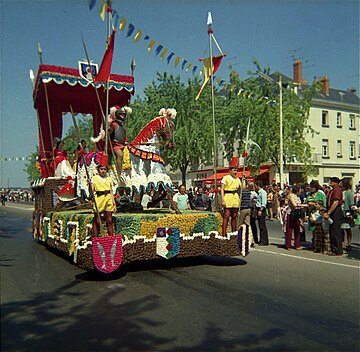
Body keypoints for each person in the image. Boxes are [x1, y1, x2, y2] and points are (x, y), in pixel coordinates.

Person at [89, 162, 116, 237]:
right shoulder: (94, 178)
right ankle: (95, 236)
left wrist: (114, 203)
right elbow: (91, 191)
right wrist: (90, 185)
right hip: (99, 198)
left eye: (104, 169)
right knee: (97, 220)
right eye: (101, 169)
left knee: (109, 220)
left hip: (108, 198)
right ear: (98, 170)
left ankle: (111, 236)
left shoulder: (109, 179)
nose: (103, 171)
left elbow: (111, 191)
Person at [109, 106, 132, 177]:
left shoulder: (122, 127)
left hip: (122, 145)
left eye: (124, 114)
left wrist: (126, 141)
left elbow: (124, 137)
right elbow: (110, 132)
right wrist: (109, 130)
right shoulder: (113, 124)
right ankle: (119, 173)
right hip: (115, 145)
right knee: (120, 155)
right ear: (118, 114)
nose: (123, 116)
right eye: (122, 114)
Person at [221, 157, 241, 236]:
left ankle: (233, 232)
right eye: (234, 170)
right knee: (226, 215)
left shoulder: (238, 179)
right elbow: (222, 189)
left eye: (236, 170)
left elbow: (242, 188)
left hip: (235, 197)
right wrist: (222, 199)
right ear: (230, 171)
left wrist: (244, 179)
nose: (235, 171)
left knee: (234, 216)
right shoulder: (225, 178)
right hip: (228, 196)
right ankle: (224, 232)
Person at [324, 177, 343, 256]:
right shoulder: (332, 190)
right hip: (331, 210)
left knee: (336, 231)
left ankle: (338, 250)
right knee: (332, 230)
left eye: (331, 181)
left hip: (336, 211)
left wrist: (328, 213)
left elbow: (335, 202)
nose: (329, 182)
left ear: (336, 182)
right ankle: (333, 248)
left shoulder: (337, 190)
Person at [340, 178, 355, 252]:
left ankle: (349, 244)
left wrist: (352, 212)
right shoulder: (341, 192)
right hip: (341, 212)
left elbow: (351, 204)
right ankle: (342, 243)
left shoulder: (349, 193)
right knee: (341, 229)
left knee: (347, 229)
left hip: (347, 212)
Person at [254, 180, 269, 245]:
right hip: (258, 208)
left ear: (258, 185)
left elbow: (264, 203)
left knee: (262, 225)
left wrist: (260, 210)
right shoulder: (258, 193)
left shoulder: (263, 192)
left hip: (261, 209)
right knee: (260, 225)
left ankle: (264, 241)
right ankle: (262, 240)